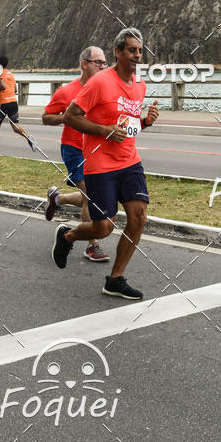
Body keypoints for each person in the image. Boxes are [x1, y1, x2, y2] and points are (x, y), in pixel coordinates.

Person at [51, 28, 159, 300]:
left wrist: (145, 121)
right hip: (101, 164)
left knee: (139, 217)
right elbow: (71, 117)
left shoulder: (139, 85)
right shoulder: (100, 82)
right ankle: (67, 236)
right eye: (132, 50)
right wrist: (103, 130)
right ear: (118, 52)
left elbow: (128, 125)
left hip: (129, 161)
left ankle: (115, 279)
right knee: (104, 227)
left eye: (140, 51)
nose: (137, 55)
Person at [43, 45, 110, 262]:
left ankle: (57, 199)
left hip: (96, 149)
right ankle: (92, 245)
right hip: (73, 148)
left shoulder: (105, 90)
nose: (102, 66)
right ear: (84, 64)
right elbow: (46, 117)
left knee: (87, 196)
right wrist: (67, 117)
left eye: (104, 63)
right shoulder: (66, 92)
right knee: (90, 194)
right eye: (98, 62)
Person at [0, 55, 36, 154]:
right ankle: (29, 138)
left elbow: (3, 86)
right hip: (13, 103)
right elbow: (15, 89)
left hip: (2, 104)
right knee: (16, 127)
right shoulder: (10, 74)